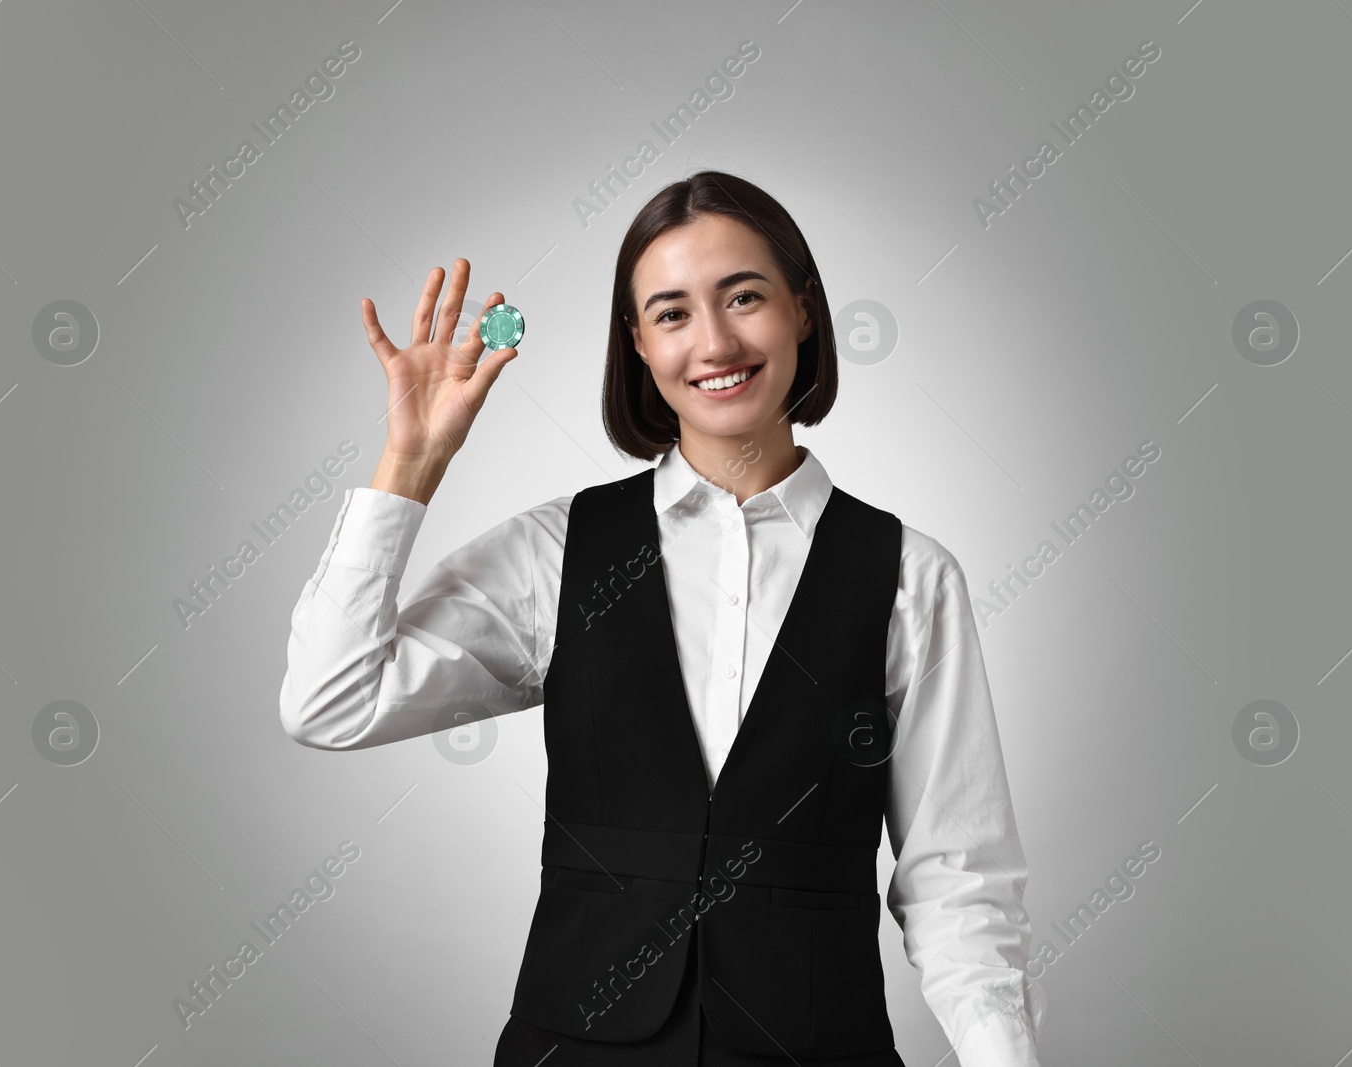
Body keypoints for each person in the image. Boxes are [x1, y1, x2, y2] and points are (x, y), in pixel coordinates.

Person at [279, 171, 1044, 1066]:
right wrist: (408, 465)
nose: (715, 341)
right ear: (638, 343)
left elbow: (960, 882)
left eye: (745, 297)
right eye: (673, 313)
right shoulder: (556, 551)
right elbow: (330, 702)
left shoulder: (911, 576)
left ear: (803, 311)